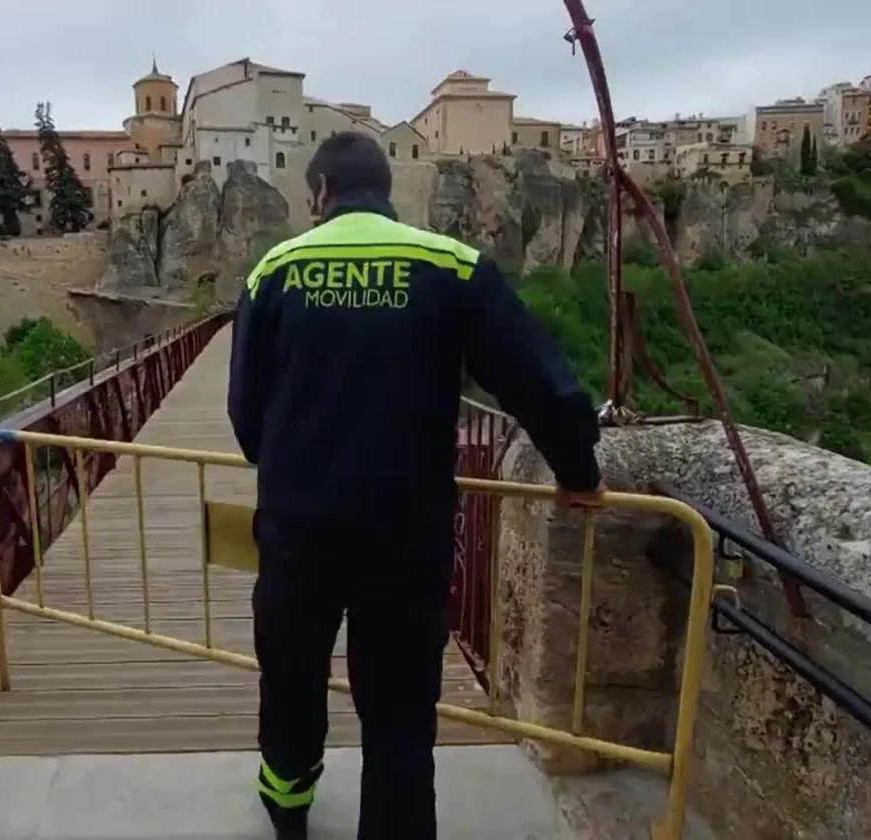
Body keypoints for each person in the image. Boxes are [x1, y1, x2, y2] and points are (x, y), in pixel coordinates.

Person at [227, 132, 603, 840]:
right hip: (405, 535)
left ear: (319, 193)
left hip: (298, 530)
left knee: (291, 675)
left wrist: (281, 461)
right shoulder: (451, 266)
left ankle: (288, 806)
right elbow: (537, 383)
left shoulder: (274, 271)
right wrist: (578, 472)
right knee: (399, 708)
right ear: (386, 191)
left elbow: (245, 410)